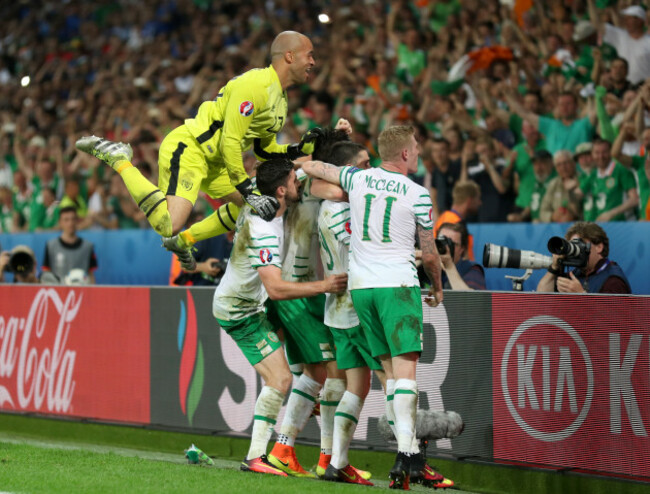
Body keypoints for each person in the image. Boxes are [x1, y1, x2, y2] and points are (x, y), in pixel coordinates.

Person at [75, 31, 321, 270]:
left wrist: (297, 148)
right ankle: (119, 159)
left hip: (216, 164)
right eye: (309, 55)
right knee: (169, 223)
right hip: (191, 148)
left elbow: (263, 150)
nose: (313, 62)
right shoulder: (256, 85)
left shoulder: (281, 100)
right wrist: (247, 190)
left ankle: (184, 241)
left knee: (251, 208)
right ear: (289, 56)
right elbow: (230, 141)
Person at [302, 125, 445, 490]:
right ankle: (408, 454)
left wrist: (304, 160)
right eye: (415, 147)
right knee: (404, 373)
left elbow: (319, 170)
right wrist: (438, 285)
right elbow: (429, 254)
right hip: (396, 286)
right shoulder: (417, 193)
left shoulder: (357, 180)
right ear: (406, 154)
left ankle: (355, 458)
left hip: (359, 291)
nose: (417, 152)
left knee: (384, 377)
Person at [212, 158, 347, 477]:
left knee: (284, 377)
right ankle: (258, 456)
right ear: (282, 190)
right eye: (294, 179)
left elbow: (291, 172)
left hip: (243, 304)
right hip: (239, 310)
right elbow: (275, 288)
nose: (300, 182)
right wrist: (325, 285)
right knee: (281, 378)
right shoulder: (265, 229)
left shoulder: (261, 204)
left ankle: (262, 454)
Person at [537, 221, 631, 294]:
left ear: (599, 247)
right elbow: (542, 299)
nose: (576, 251)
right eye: (572, 245)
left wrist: (581, 295)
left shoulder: (613, 280)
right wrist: (554, 268)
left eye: (580, 245)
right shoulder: (575, 275)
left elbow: (612, 317)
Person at [504, 89, 595, 155]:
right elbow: (525, 113)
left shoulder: (584, 124)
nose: (564, 107)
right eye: (561, 104)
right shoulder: (550, 125)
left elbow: (595, 113)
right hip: (556, 175)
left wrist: (593, 97)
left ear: (576, 106)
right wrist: (507, 95)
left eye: (568, 104)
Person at [588, 1, 650, 85]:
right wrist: (590, 3)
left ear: (639, 20)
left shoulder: (648, 41)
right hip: (625, 88)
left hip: (645, 88)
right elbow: (597, 24)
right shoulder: (621, 36)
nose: (626, 21)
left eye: (629, 18)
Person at [580, 139, 639, 222]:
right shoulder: (593, 174)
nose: (601, 156)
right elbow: (578, 195)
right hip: (603, 227)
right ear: (592, 154)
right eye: (597, 153)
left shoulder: (620, 170)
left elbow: (635, 199)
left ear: (610, 152)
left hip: (624, 225)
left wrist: (611, 214)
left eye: (604, 152)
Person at [42, 206, 98, 284]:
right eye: (66, 220)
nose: (70, 223)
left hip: (82, 293)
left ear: (77, 221)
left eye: (73, 219)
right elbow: (46, 274)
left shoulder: (88, 246)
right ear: (60, 222)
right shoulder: (51, 246)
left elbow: (91, 275)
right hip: (58, 293)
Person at [434, 180, 481, 261]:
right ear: (470, 200)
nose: (480, 203)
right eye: (478, 198)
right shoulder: (455, 226)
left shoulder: (444, 217)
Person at [507, 149, 555, 223]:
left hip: (550, 224)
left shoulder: (556, 180)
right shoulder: (538, 182)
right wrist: (521, 216)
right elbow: (534, 203)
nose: (538, 167)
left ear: (551, 163)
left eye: (542, 163)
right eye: (535, 164)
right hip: (536, 225)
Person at [437, 222, 485, 290]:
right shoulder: (426, 267)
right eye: (441, 242)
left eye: (451, 243)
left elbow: (472, 299)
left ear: (462, 249)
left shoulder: (471, 270)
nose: (445, 247)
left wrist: (449, 265)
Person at [538, 151, 583, 223]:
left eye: (566, 163)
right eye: (559, 165)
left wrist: (573, 216)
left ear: (573, 163)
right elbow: (543, 211)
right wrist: (552, 216)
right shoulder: (553, 184)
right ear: (555, 168)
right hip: (557, 226)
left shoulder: (583, 180)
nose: (563, 167)